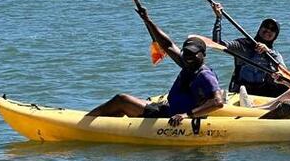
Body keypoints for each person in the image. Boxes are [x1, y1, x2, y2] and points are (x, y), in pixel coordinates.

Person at [89, 7, 224, 126]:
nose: (188, 57)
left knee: (121, 100)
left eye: (193, 54)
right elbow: (168, 45)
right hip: (167, 111)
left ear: (203, 55)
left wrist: (186, 115)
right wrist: (148, 20)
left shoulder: (204, 75)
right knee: (123, 104)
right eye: (186, 53)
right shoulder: (188, 65)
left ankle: (84, 123)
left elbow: (218, 102)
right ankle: (99, 126)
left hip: (174, 119)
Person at [211, 2, 287, 97]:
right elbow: (217, 43)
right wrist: (218, 18)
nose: (268, 30)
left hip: (263, 92)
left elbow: (285, 72)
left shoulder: (274, 54)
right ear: (260, 28)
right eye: (266, 26)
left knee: (285, 86)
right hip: (242, 90)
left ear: (275, 36)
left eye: (272, 30)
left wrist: (268, 51)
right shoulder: (242, 45)